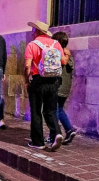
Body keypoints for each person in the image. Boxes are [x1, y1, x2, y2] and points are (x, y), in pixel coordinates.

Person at [24, 20, 67, 151]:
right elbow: (64, 61)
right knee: (51, 110)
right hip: (53, 80)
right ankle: (57, 133)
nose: (32, 32)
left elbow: (27, 65)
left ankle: (38, 142)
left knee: (36, 111)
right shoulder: (56, 43)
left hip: (38, 80)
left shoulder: (32, 45)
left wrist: (27, 81)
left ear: (37, 31)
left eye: (33, 30)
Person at [52, 31, 76, 145]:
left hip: (57, 86)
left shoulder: (59, 54)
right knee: (60, 109)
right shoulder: (69, 55)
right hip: (66, 88)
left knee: (54, 110)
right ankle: (69, 129)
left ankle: (55, 135)